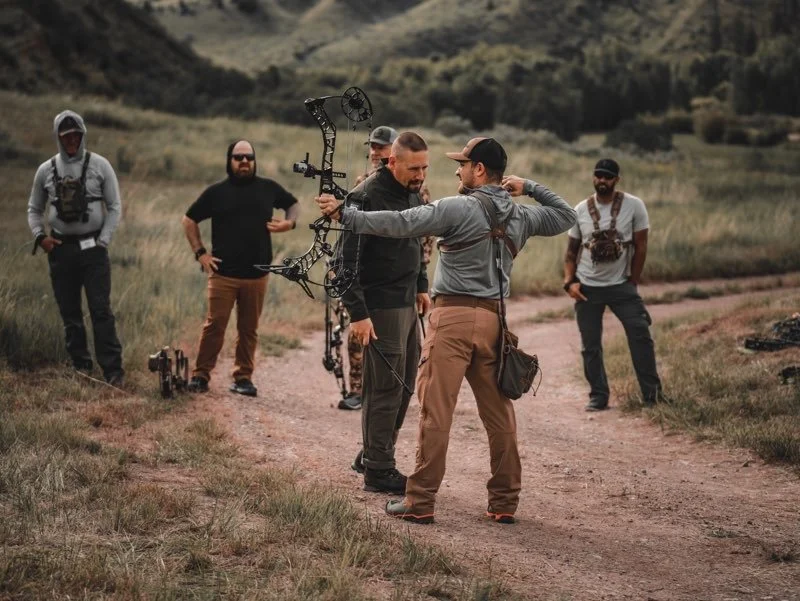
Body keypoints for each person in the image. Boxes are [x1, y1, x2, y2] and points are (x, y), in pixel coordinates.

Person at [317, 137, 576, 524]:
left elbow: (401, 223)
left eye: (464, 164)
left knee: (436, 412)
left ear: (480, 170)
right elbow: (567, 216)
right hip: (495, 323)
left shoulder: (457, 208)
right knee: (499, 414)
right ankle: (504, 500)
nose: (458, 170)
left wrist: (348, 216)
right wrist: (530, 187)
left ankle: (420, 501)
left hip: (453, 319)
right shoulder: (521, 216)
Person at [338, 131, 431, 494]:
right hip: (379, 306)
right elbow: (344, 263)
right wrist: (358, 314)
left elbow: (416, 240)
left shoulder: (412, 191)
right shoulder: (365, 196)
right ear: (391, 161)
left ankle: (371, 454)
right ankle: (378, 470)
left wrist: (421, 284)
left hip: (406, 301)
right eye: (413, 168)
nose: (420, 176)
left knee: (405, 385)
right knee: (384, 389)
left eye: (424, 168)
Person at [182, 140, 300, 397]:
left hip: (257, 275)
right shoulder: (216, 193)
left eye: (249, 157)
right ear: (230, 161)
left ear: (254, 160)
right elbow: (189, 220)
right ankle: (200, 376)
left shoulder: (268, 188)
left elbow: (293, 204)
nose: (244, 161)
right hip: (223, 274)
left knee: (248, 330)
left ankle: (243, 378)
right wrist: (201, 253)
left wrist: (289, 224)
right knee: (215, 326)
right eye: (238, 157)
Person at [27, 110, 124, 385]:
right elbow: (34, 209)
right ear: (58, 137)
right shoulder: (46, 170)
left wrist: (103, 240)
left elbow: (114, 206)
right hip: (60, 250)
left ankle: (113, 371)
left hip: (94, 250)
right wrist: (41, 237)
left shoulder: (100, 165)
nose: (71, 140)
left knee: (100, 310)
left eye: (76, 135)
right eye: (66, 135)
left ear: (83, 135)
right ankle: (81, 366)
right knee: (69, 312)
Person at [563, 158, 665, 411]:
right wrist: (569, 282)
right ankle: (598, 396)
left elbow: (641, 246)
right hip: (587, 287)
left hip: (621, 285)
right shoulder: (580, 209)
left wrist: (633, 281)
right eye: (598, 175)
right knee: (590, 346)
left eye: (607, 176)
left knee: (641, 335)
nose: (602, 180)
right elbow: (571, 252)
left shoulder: (634, 205)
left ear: (616, 180)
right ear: (593, 177)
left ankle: (652, 396)